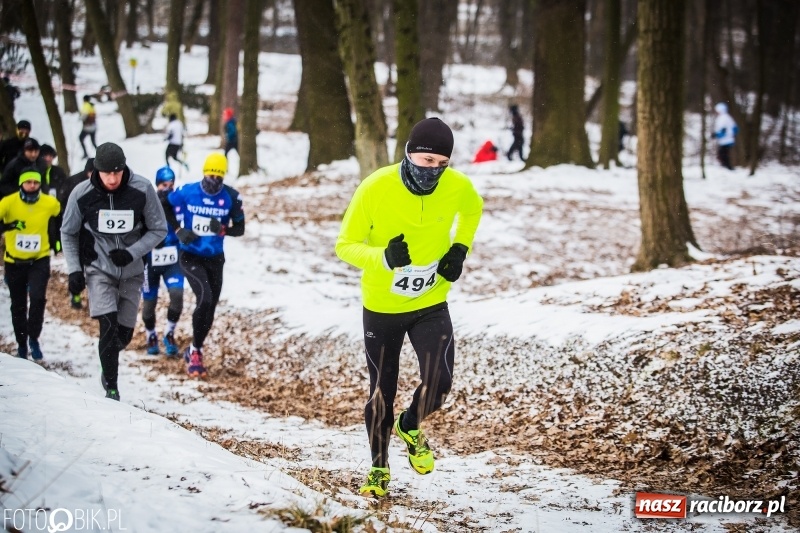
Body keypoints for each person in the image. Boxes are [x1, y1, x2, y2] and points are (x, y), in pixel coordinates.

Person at [335, 117, 483, 498]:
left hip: (430, 301)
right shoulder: (376, 187)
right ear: (409, 154)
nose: (432, 170)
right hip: (382, 306)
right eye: (426, 160)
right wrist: (383, 257)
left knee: (441, 381)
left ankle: (410, 423)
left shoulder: (457, 186)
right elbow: (345, 245)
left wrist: (459, 249)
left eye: (440, 164)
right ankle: (379, 469)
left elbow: (473, 209)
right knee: (382, 390)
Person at [61, 142, 167, 401]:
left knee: (123, 335)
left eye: (117, 173)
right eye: (107, 173)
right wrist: (75, 270)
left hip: (131, 271)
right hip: (99, 269)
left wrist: (132, 252)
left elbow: (159, 229)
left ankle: (108, 358)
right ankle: (112, 388)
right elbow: (68, 232)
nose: (112, 178)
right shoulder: (81, 193)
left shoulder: (141, 189)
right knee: (107, 326)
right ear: (97, 170)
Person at [161, 152, 245, 378]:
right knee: (204, 298)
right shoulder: (188, 191)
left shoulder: (230, 197)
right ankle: (196, 352)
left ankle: (194, 348)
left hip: (215, 259)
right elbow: (164, 204)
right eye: (210, 176)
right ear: (204, 173)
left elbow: (240, 228)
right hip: (191, 256)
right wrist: (179, 230)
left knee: (210, 308)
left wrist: (224, 229)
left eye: (218, 177)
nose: (213, 182)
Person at [0, 168, 61, 360]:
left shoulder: (49, 203)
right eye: (28, 182)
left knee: (37, 299)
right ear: (21, 184)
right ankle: (21, 343)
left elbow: (63, 217)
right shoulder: (8, 203)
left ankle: (34, 338)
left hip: (39, 260)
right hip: (14, 261)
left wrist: (56, 239)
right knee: (18, 304)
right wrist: (9, 226)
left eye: (36, 182)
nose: (32, 185)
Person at [141, 166, 184, 356]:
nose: (167, 188)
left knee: (177, 295)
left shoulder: (178, 203)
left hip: (172, 259)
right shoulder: (147, 203)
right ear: (156, 184)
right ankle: (150, 334)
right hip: (150, 262)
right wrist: (150, 241)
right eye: (163, 185)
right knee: (149, 305)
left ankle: (169, 332)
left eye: (171, 185)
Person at [57, 158, 94, 309]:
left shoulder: (103, 185)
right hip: (75, 230)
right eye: (92, 173)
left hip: (92, 233)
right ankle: (75, 295)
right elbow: (62, 204)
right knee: (77, 266)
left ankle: (96, 298)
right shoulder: (74, 183)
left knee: (93, 266)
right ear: (87, 172)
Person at [713, 102, 738, 170]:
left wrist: (716, 135)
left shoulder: (723, 118)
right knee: (723, 154)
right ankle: (727, 167)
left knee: (723, 154)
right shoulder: (727, 117)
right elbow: (735, 128)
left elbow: (723, 130)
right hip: (727, 139)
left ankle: (728, 167)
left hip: (726, 140)